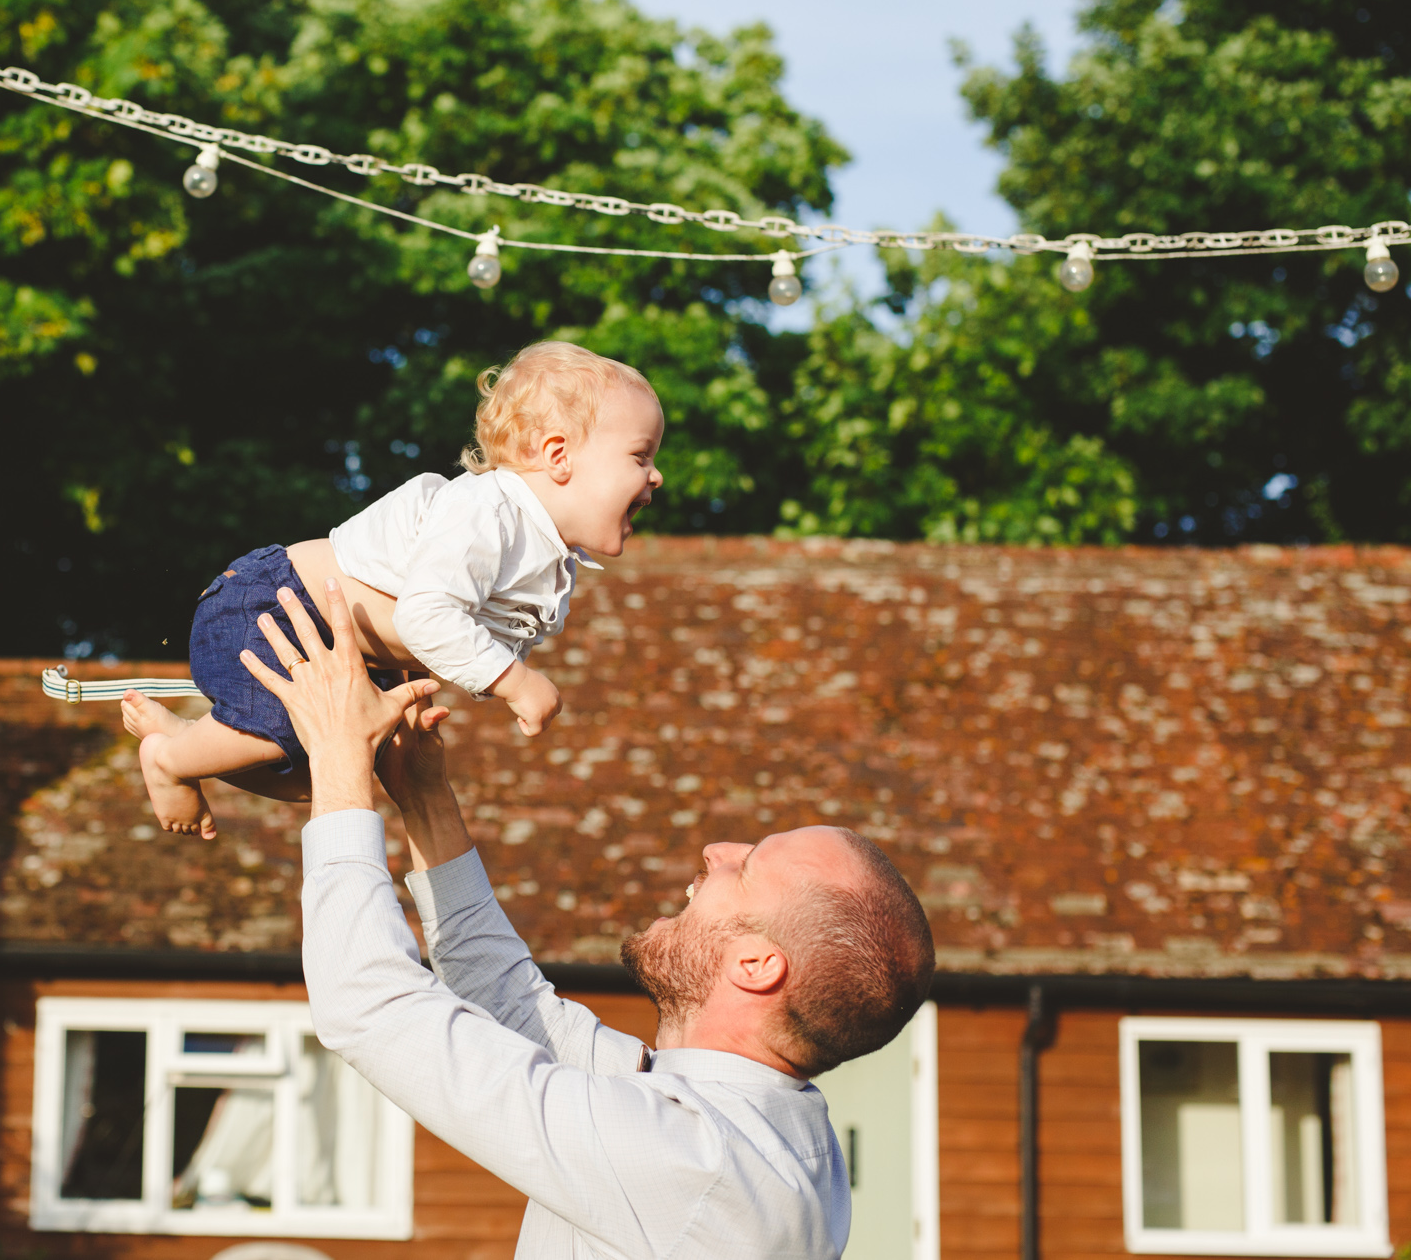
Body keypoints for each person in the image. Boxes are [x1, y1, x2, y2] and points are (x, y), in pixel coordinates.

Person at [238, 580, 937, 1260]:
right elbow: (512, 1005)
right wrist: (423, 797)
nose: (716, 849)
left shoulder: (698, 1165)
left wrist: (338, 758)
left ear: (756, 964)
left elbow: (368, 1005)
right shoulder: (759, 1123)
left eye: (747, 866)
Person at [123, 340, 664, 839]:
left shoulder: (552, 560)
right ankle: (171, 762)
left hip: (351, 652)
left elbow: (446, 636)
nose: (657, 475)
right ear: (558, 455)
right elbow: (424, 616)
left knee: (332, 776)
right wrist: (515, 681)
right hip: (275, 608)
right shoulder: (489, 512)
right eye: (641, 456)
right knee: (280, 733)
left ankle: (191, 740)